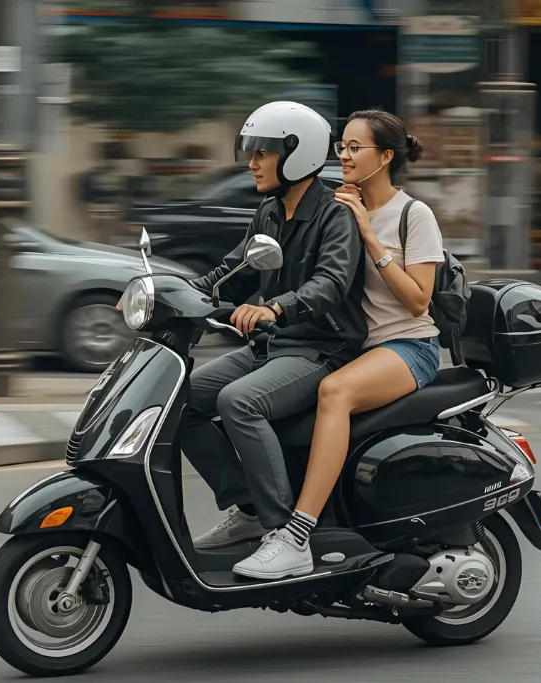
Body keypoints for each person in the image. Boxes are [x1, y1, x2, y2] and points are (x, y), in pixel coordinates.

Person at [231, 108, 444, 580]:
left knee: (334, 393)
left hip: (408, 346)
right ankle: (259, 513)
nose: (343, 156)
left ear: (386, 156)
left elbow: (418, 301)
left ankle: (295, 534)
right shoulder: (338, 206)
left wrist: (371, 236)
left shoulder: (413, 214)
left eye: (355, 148)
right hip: (361, 346)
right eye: (340, 147)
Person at [180, 102, 369, 573]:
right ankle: (246, 507)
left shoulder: (334, 216)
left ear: (297, 155)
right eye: (252, 151)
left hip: (322, 349)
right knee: (180, 399)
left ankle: (287, 534)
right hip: (271, 347)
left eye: (263, 152)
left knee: (239, 402)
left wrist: (275, 308)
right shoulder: (268, 212)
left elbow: (330, 283)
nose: (253, 162)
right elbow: (232, 271)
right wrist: (175, 294)